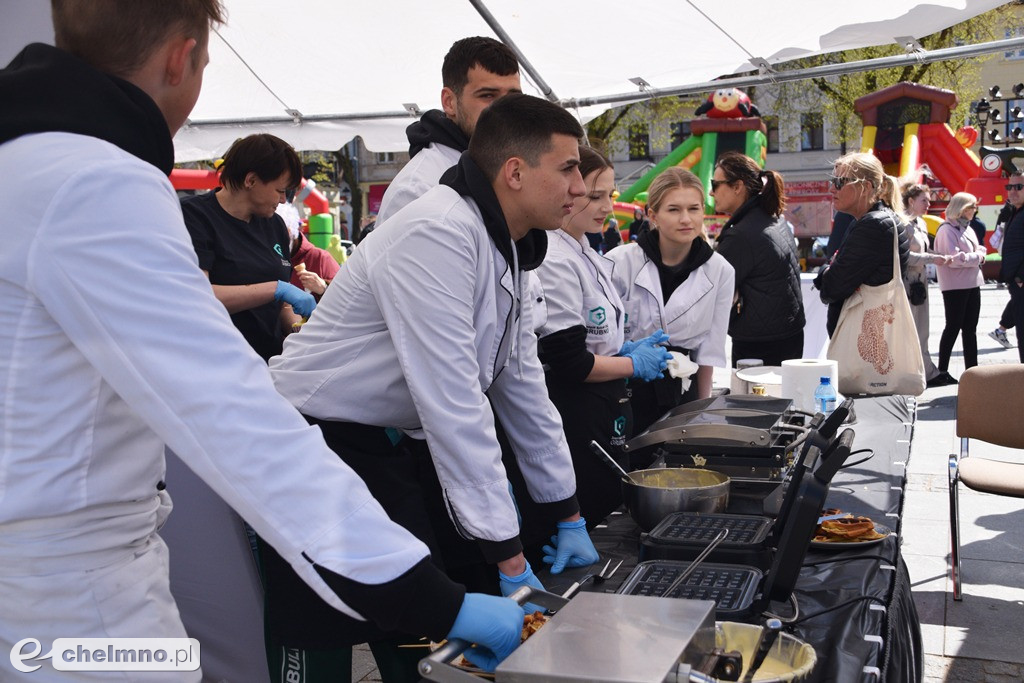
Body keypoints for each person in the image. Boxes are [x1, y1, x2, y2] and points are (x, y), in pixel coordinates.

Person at [0, 2, 523, 681]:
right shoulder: (97, 180)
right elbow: (229, 411)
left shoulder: (24, 162)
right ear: (181, 59)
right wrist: (430, 596)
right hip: (67, 591)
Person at [267, 94, 600, 680]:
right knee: (324, 626)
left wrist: (566, 509)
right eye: (569, 167)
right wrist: (510, 559)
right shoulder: (436, 231)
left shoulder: (510, 245)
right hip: (312, 440)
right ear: (515, 172)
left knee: (412, 617)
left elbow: (521, 379)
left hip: (383, 440)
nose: (581, 187)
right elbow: (453, 402)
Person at [531, 146, 671, 529]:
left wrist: (622, 348)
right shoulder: (554, 258)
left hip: (604, 408)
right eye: (595, 196)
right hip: (575, 410)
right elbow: (570, 363)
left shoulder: (584, 249)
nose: (608, 207)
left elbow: (592, 337)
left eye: (610, 194)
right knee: (591, 508)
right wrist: (631, 363)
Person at [607, 168, 735, 432]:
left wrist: (701, 413)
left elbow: (708, 353)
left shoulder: (720, 270)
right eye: (674, 210)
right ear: (652, 215)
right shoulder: (618, 263)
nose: (686, 219)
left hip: (683, 390)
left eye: (694, 209)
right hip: (624, 386)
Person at [181, 133, 316, 362]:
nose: (283, 200)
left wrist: (298, 329)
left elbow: (282, 307)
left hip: (268, 363)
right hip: (215, 362)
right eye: (280, 191)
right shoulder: (194, 217)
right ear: (251, 180)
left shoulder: (274, 225)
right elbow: (197, 297)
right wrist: (275, 289)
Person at [376, 36, 521, 224]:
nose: (505, 108)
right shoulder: (418, 190)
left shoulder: (510, 168)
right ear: (449, 102)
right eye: (487, 95)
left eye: (513, 96)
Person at [711, 151, 805, 367]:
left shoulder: (741, 235)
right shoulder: (773, 219)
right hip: (786, 335)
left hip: (759, 345)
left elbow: (710, 288)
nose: (711, 192)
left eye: (715, 185)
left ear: (737, 186)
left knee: (751, 392)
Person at [813, 153, 909, 338]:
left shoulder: (873, 225)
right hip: (870, 332)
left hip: (862, 337)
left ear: (865, 187)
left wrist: (825, 271)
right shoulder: (876, 220)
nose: (832, 189)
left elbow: (831, 288)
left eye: (840, 182)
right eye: (832, 181)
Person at [899, 182, 951, 388]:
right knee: (912, 330)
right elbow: (904, 256)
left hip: (920, 281)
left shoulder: (920, 222)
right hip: (908, 283)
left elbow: (922, 251)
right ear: (911, 201)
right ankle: (917, 373)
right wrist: (932, 258)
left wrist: (938, 256)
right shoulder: (903, 223)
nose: (929, 204)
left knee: (923, 329)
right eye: (924, 200)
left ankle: (926, 371)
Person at [934, 192, 986, 377]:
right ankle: (942, 370)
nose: (975, 210)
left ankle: (972, 370)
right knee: (953, 327)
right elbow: (955, 259)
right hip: (955, 286)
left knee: (970, 329)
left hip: (972, 283)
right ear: (962, 208)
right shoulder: (946, 230)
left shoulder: (967, 228)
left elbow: (978, 250)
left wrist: (974, 256)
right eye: (972, 207)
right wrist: (977, 256)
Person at [278, 204, 341, 299]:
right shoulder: (269, 258)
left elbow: (346, 296)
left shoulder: (320, 257)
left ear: (292, 231)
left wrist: (324, 288)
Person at [998, 172, 1024, 362]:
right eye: (1010, 187)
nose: (1013, 191)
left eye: (1019, 187)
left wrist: (1021, 276)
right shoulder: (1014, 212)